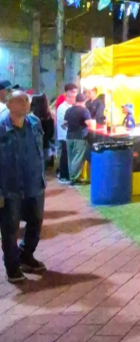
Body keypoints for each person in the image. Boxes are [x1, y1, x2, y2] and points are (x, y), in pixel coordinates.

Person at [0, 90, 47, 283]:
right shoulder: (2, 128)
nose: (25, 104)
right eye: (20, 100)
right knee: (10, 229)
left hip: (34, 185)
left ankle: (26, 255)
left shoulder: (34, 123)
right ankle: (12, 266)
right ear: (9, 104)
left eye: (26, 100)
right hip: (10, 188)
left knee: (35, 221)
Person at [65, 93, 92, 184]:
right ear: (84, 101)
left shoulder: (69, 110)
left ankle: (72, 176)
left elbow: (64, 123)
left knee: (71, 158)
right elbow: (89, 123)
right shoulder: (84, 111)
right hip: (80, 137)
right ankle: (74, 178)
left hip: (69, 137)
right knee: (78, 158)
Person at [56, 83, 78, 183]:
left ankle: (66, 175)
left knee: (67, 156)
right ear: (69, 96)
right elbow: (62, 123)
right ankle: (63, 176)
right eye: (74, 96)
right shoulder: (62, 107)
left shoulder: (71, 107)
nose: (75, 99)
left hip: (69, 135)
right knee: (64, 157)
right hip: (64, 136)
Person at [30, 94, 56, 167]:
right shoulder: (49, 117)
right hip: (45, 145)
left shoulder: (29, 117)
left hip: (31, 146)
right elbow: (50, 134)